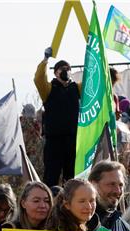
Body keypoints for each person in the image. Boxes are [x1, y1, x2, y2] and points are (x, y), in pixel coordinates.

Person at [34, 48, 81, 185]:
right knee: (51, 177)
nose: (65, 71)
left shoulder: (76, 88)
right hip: (54, 141)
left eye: (67, 68)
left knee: (72, 178)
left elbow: (93, 84)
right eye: (61, 69)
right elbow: (38, 78)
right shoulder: (48, 89)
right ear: (56, 73)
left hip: (72, 139)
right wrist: (45, 60)